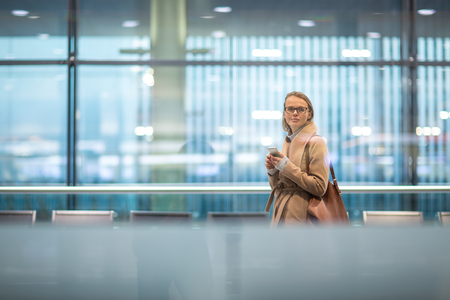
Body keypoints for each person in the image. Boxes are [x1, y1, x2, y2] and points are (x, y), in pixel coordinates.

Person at [264, 91, 330, 227]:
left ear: (309, 114)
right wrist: (272, 171)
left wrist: (285, 166)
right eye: (290, 109)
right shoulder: (288, 140)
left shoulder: (317, 142)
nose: (295, 113)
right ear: (284, 113)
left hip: (303, 217)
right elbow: (278, 190)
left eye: (300, 109)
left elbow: (320, 187)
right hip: (280, 213)